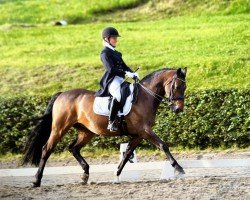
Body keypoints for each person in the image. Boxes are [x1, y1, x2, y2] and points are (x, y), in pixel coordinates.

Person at [96, 27, 139, 132]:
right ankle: (111, 122)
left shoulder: (117, 53)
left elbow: (124, 66)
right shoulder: (105, 53)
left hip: (120, 79)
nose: (116, 40)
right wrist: (125, 73)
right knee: (118, 95)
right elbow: (110, 69)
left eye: (116, 38)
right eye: (114, 38)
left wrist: (133, 73)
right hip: (111, 80)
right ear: (107, 39)